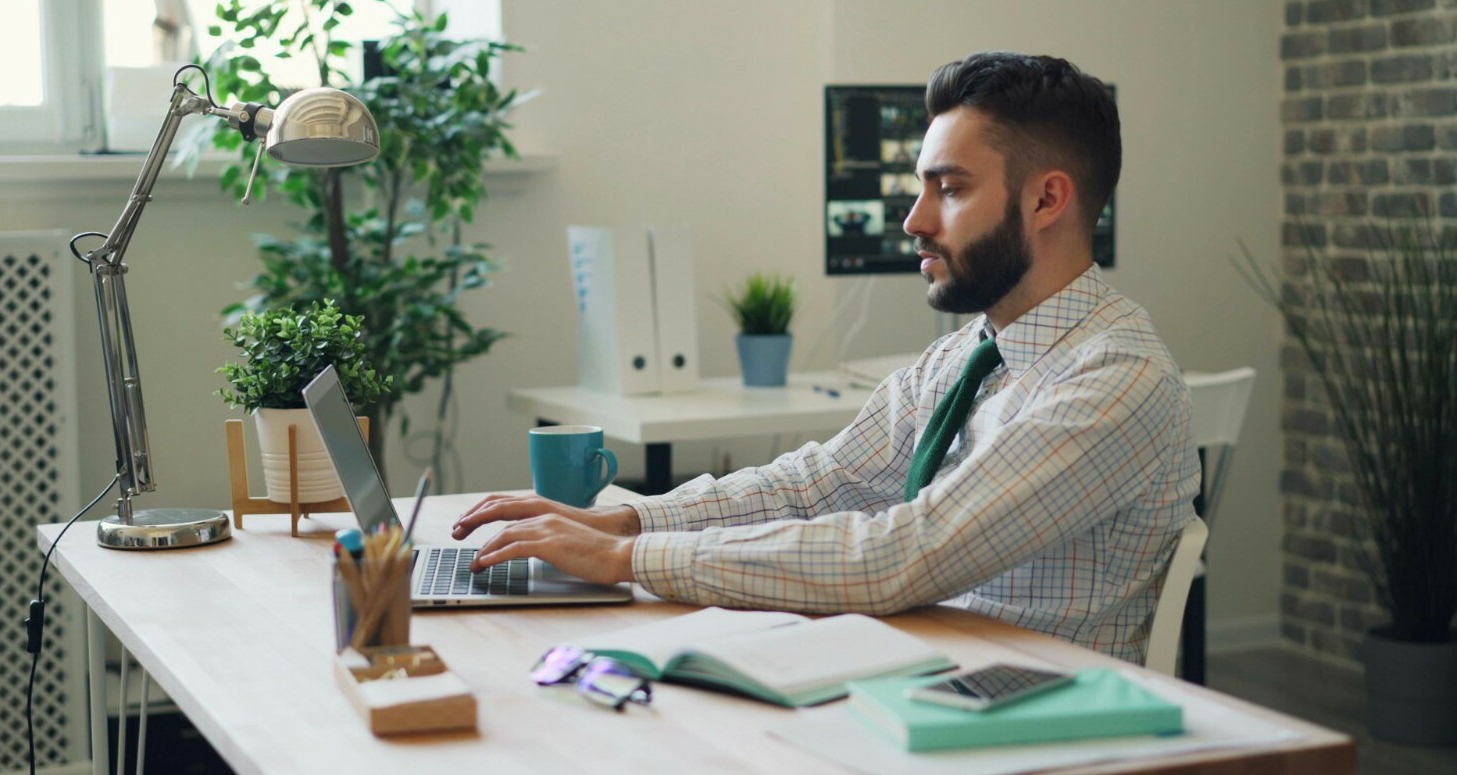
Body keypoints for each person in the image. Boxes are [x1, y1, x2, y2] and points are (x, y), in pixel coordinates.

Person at [453, 52, 1199, 663]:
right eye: (920, 188)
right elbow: (817, 485)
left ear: (1046, 201)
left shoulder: (1115, 378)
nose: (914, 219)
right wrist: (627, 523)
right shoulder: (969, 355)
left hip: (1031, 719)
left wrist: (627, 563)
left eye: (950, 189)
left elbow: (904, 553)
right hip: (923, 664)